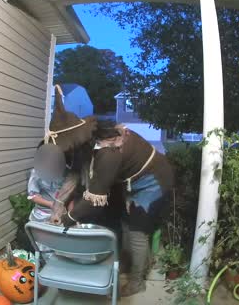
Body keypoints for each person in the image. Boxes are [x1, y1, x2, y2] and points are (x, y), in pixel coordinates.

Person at [59, 121, 175, 297]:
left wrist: (69, 217)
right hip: (135, 182)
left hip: (154, 182)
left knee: (137, 230)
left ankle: (137, 282)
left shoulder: (108, 153)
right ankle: (130, 262)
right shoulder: (100, 140)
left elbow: (94, 200)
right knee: (125, 223)